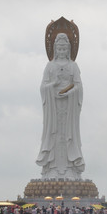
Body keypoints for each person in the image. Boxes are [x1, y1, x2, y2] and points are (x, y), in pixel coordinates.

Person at [36, 31, 85, 180]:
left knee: (69, 135)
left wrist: (70, 93)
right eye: (59, 49)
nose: (62, 52)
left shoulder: (73, 66)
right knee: (54, 134)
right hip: (53, 107)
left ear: (69, 49)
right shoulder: (50, 66)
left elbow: (79, 86)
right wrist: (54, 85)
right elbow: (43, 87)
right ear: (55, 49)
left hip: (69, 107)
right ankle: (52, 168)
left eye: (65, 49)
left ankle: (70, 167)